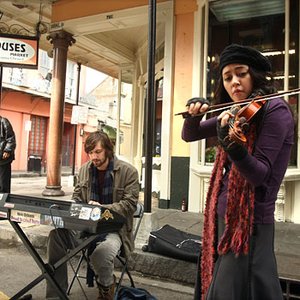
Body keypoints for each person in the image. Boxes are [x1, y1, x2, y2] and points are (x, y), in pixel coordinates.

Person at [181, 44, 294, 300]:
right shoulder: (235, 111)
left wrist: (233, 146)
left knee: (241, 290)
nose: (234, 82)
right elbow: (190, 134)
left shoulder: (276, 111)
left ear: (253, 74)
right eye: (227, 76)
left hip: (249, 222)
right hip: (223, 217)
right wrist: (192, 114)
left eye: (240, 73)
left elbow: (259, 174)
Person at [46, 131, 139, 300]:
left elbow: (129, 205)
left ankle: (106, 285)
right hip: (85, 227)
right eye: (90, 152)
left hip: (114, 230)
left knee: (101, 253)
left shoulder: (128, 172)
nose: (93, 157)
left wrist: (102, 209)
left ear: (108, 150)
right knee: (56, 236)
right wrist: (72, 207)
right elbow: (76, 197)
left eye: (97, 152)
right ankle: (55, 295)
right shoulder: (84, 170)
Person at [0, 116, 16, 193]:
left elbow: (11, 138)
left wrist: (7, 150)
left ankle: (3, 199)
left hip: (3, 158)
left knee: (3, 182)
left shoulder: (4, 121)